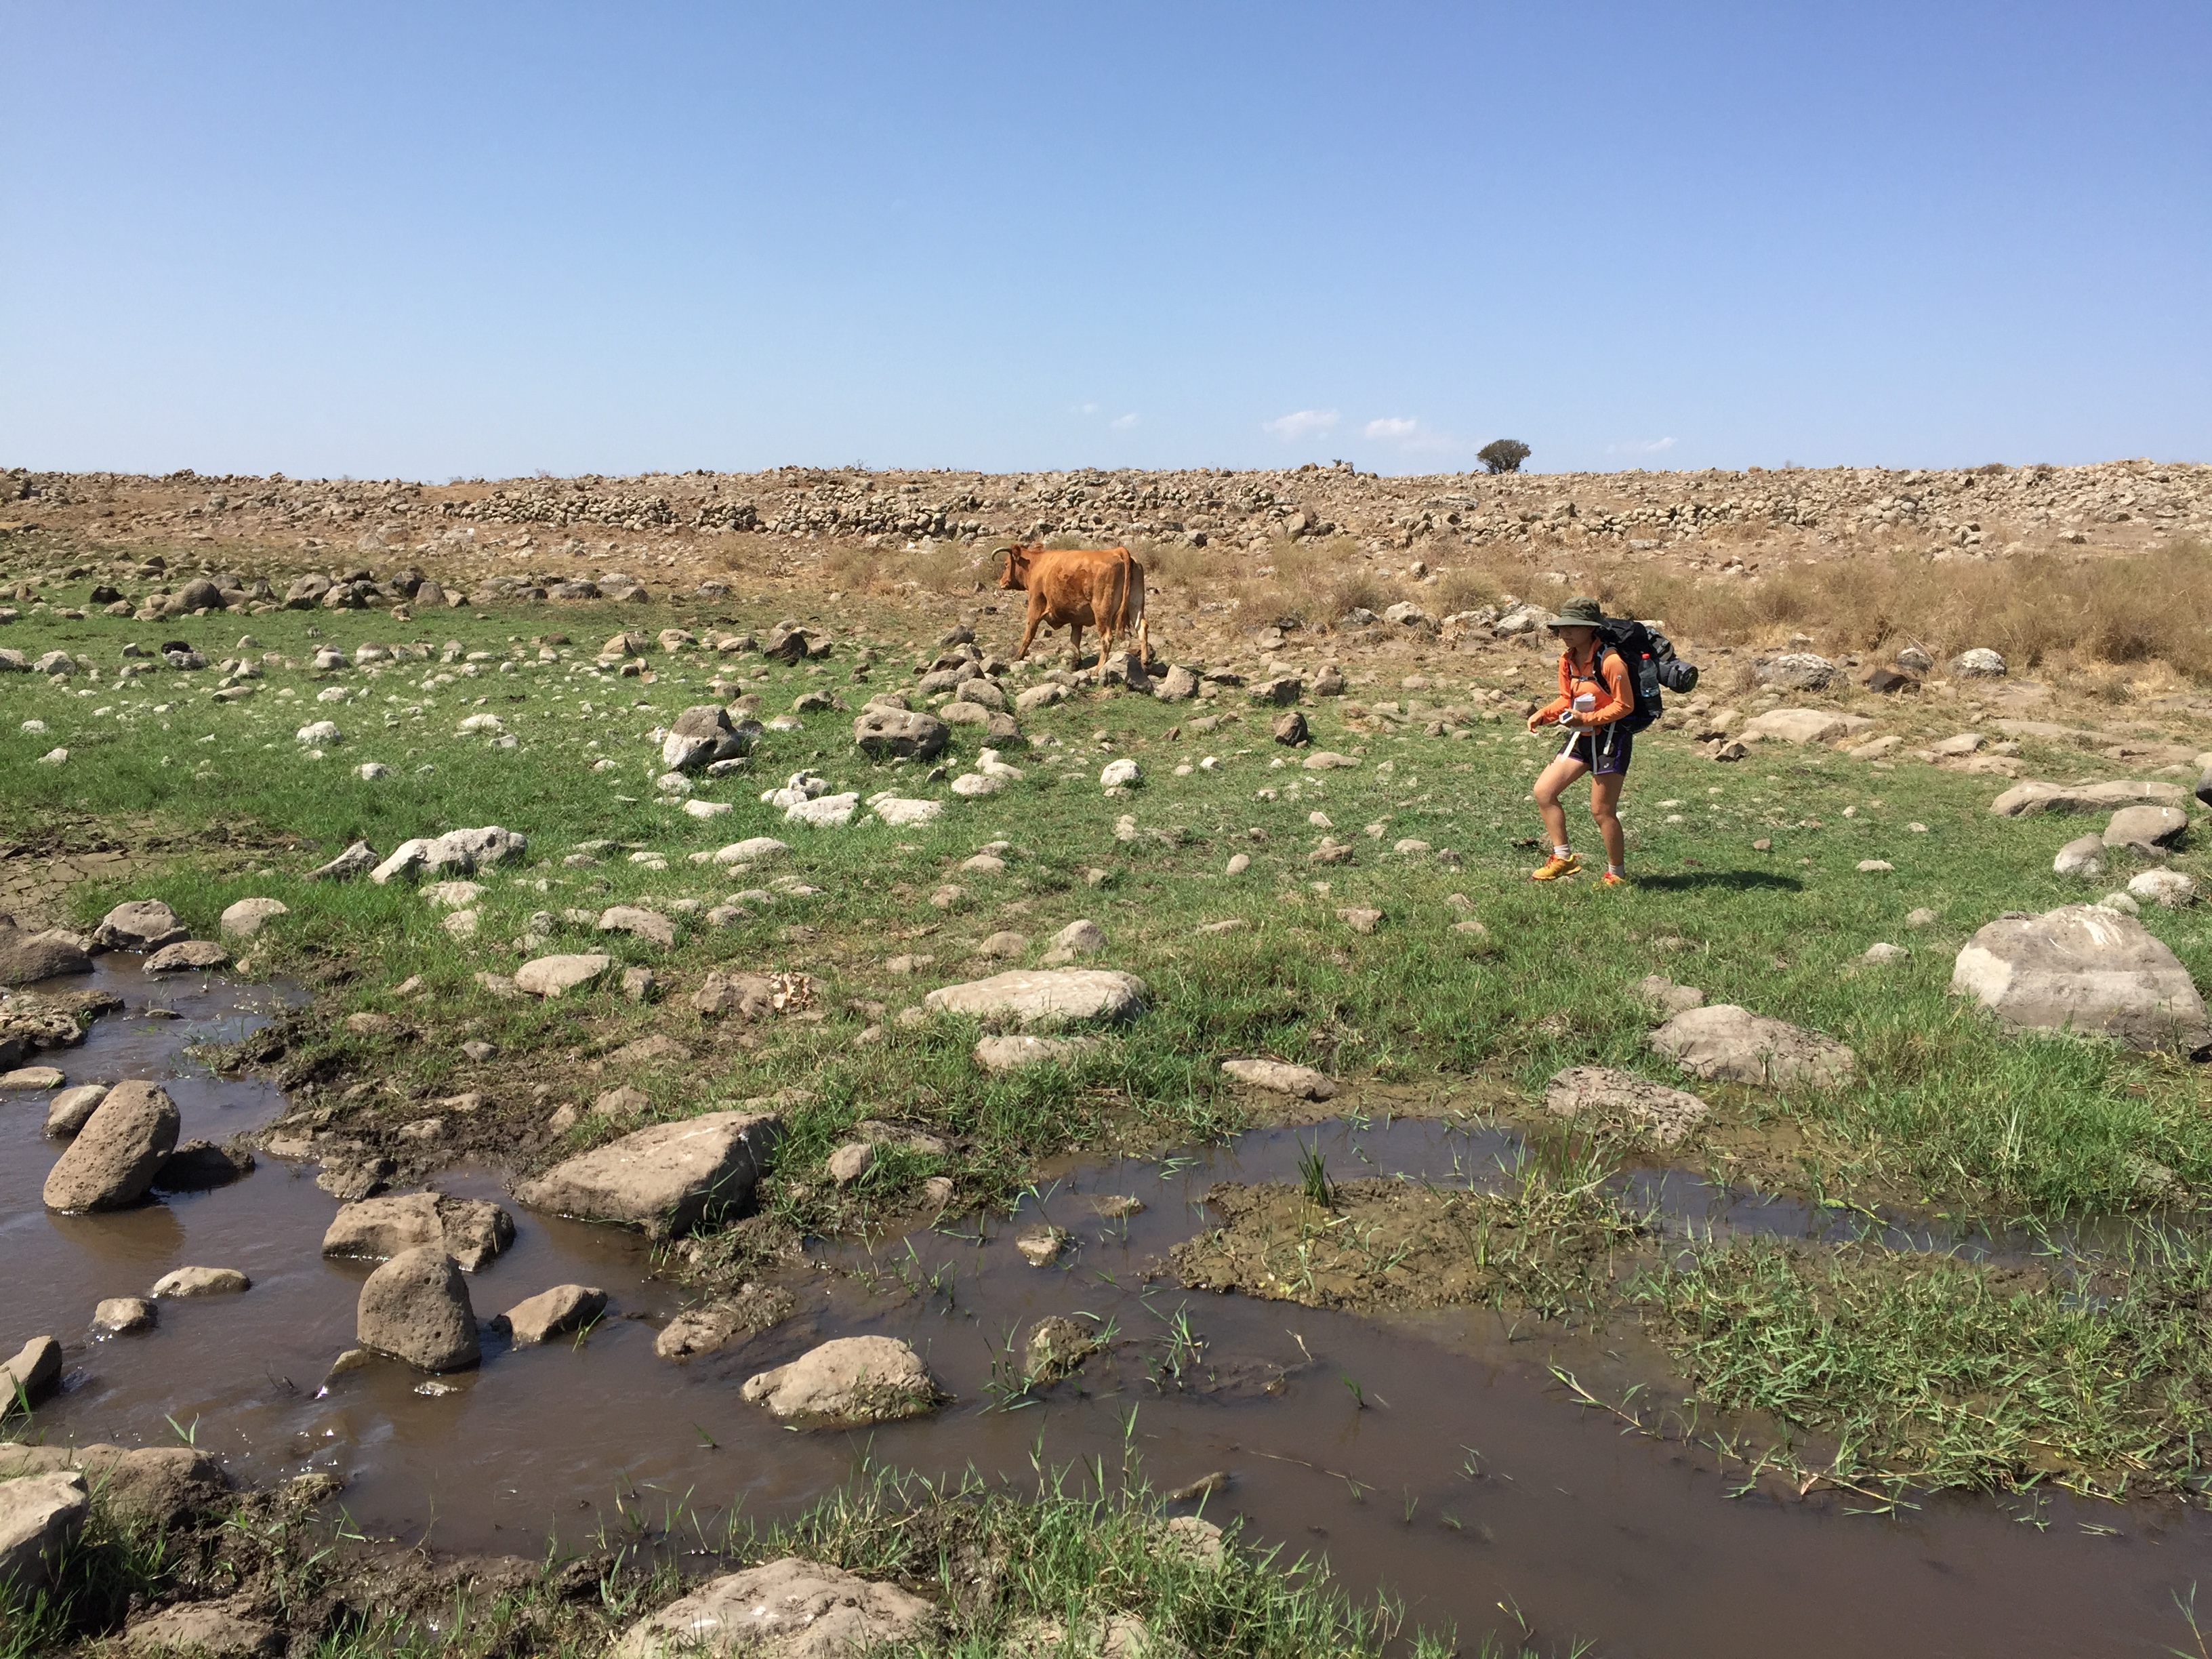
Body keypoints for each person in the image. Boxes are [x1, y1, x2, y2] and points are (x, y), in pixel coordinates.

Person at [1523, 595, 1633, 885]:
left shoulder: (1611, 661)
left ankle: (1616, 875)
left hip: (1611, 740)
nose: (1565, 632)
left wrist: (1585, 718)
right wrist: (1544, 715)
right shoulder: (1567, 659)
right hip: (1582, 737)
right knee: (1544, 792)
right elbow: (1566, 698)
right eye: (1562, 627)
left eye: (1573, 626)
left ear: (1591, 628)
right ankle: (1563, 859)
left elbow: (1625, 705)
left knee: (1602, 811)